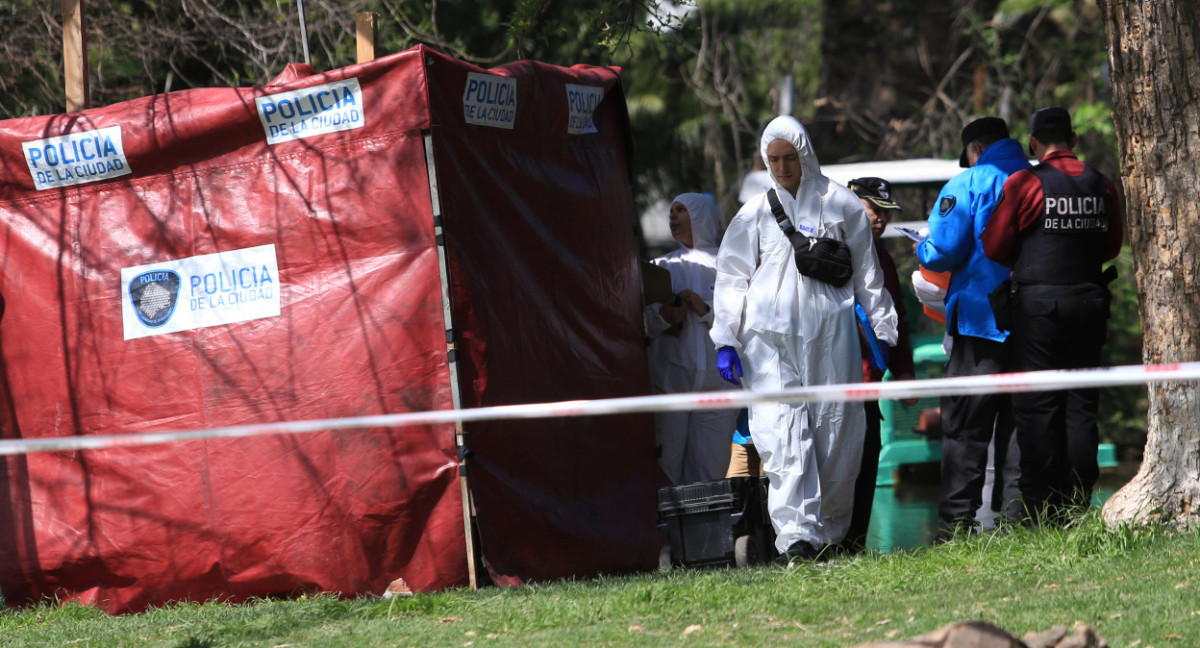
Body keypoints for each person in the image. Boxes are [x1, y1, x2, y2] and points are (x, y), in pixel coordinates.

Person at [710, 115, 898, 562]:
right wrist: (726, 339)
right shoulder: (754, 212)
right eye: (773, 159)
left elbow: (867, 274)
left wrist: (882, 328)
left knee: (835, 432)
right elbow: (732, 276)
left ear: (804, 153)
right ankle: (796, 539)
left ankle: (829, 534)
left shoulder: (842, 206)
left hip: (830, 338)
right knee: (780, 435)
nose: (781, 167)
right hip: (768, 342)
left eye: (789, 157)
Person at [981, 106, 1124, 523]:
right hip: (1089, 303)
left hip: (1038, 310)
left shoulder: (1026, 182)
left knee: (1038, 403)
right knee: (1081, 404)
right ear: (1073, 139)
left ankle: (1041, 509)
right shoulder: (1102, 183)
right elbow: (1111, 247)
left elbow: (994, 245)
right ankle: (1078, 506)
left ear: (1033, 143)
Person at [916, 117, 1028, 539]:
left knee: (965, 424)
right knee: (1020, 420)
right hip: (1031, 323)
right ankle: (1019, 522)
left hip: (980, 321)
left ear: (974, 149)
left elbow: (943, 249)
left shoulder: (969, 182)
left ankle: (957, 525)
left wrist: (921, 246)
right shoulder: (1036, 178)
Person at [839, 177, 918, 554]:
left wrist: (905, 372)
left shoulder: (883, 258)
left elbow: (897, 319)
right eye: (874, 210)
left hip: (868, 389)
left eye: (885, 213)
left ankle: (854, 547)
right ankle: (824, 548)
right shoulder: (831, 250)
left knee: (867, 469)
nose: (881, 220)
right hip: (833, 389)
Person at [644, 193, 739, 484]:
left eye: (681, 210)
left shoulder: (731, 265)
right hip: (672, 386)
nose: (673, 216)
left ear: (701, 216)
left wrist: (705, 310)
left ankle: (709, 532)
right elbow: (639, 325)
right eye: (671, 210)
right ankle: (670, 532)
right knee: (667, 470)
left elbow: (746, 322)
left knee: (709, 474)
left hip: (719, 387)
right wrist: (663, 317)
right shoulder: (659, 267)